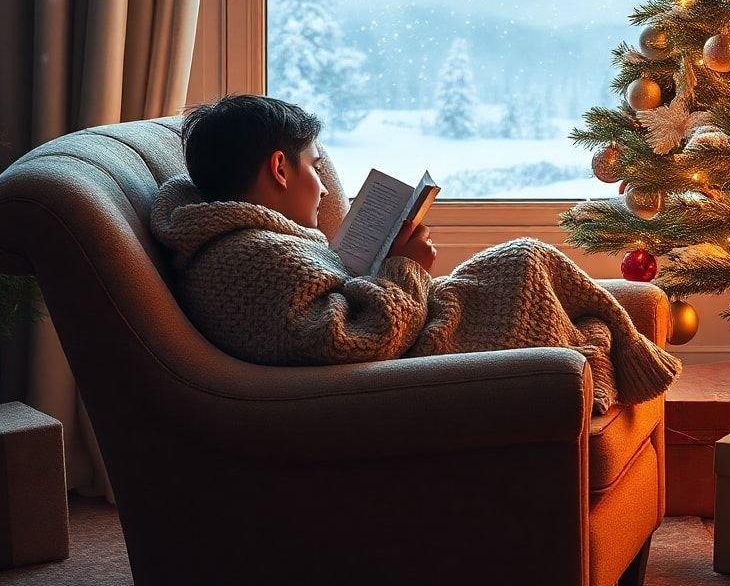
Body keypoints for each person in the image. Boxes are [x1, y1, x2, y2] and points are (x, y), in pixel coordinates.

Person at [151, 94, 680, 413]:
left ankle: (595, 351)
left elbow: (318, 307)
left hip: (408, 338)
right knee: (523, 260)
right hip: (405, 369)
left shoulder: (237, 237)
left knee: (525, 264)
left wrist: (378, 264)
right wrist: (403, 265)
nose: (320, 187)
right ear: (280, 168)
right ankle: (609, 358)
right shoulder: (250, 257)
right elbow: (352, 339)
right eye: (312, 167)